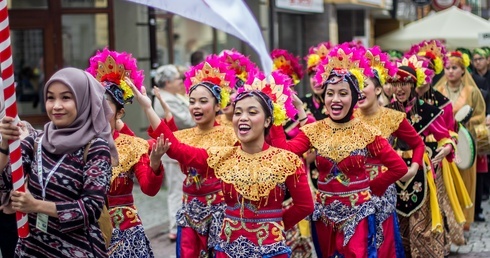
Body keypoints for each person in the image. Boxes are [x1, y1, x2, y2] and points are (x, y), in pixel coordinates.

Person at [138, 69, 314, 257]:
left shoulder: (286, 160)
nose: (243, 117)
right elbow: (178, 150)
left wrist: (275, 224)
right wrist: (149, 109)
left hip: (270, 250)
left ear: (268, 120)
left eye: (252, 112)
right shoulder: (222, 157)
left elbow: (305, 206)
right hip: (227, 249)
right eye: (238, 112)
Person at [269, 45, 408, 257]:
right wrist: (279, 118)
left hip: (358, 215)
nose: (335, 99)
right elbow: (285, 153)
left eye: (343, 93)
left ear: (353, 98)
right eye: (330, 93)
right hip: (324, 216)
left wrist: (372, 189)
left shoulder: (366, 132)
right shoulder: (315, 130)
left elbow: (398, 167)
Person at [0, 67, 117, 257]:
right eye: (50, 98)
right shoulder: (36, 142)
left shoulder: (95, 148)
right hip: (33, 249)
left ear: (83, 100)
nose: (56, 106)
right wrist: (6, 143)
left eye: (66, 98)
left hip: (77, 250)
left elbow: (90, 209)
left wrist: (37, 206)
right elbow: (4, 182)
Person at [87, 49, 167, 257]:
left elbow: (149, 189)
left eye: (105, 107)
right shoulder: (77, 143)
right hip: (87, 232)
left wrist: (155, 161)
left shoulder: (132, 146)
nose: (98, 112)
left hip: (125, 234)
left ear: (120, 112)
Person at [159, 55, 240, 257]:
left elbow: (181, 151)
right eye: (192, 101)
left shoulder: (230, 135)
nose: (196, 106)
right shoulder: (185, 135)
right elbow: (155, 144)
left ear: (217, 105)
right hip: (189, 212)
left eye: (203, 101)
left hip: (219, 212)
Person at [387, 55, 461, 257]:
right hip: (393, 176)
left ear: (413, 85)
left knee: (420, 227)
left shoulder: (429, 112)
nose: (399, 89)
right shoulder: (386, 112)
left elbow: (446, 138)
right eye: (395, 84)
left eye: (404, 83)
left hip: (422, 173)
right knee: (396, 224)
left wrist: (445, 150)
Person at [355, 46, 424, 257]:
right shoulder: (348, 119)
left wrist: (412, 169)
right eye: (354, 86)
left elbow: (418, 144)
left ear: (377, 90)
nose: (358, 91)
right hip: (353, 192)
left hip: (382, 189)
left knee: (382, 244)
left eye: (363, 85)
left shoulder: (392, 117)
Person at [435, 51, 488, 226]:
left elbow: (480, 115)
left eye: (454, 68)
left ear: (463, 70)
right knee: (447, 180)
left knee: (465, 180)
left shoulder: (472, 91)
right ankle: (447, 220)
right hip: (444, 142)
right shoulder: (438, 91)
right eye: (448, 68)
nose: (450, 71)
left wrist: (463, 123)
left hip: (464, 144)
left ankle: (464, 220)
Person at [153, 64, 195, 241]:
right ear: (168, 82)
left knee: (182, 188)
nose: (181, 81)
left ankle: (181, 224)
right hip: (172, 151)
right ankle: (175, 228)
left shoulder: (174, 95)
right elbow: (185, 120)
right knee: (177, 190)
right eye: (178, 79)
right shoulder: (165, 99)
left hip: (182, 148)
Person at [216, 50, 259, 127]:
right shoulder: (212, 123)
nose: (224, 97)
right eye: (220, 93)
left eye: (230, 93)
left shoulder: (256, 121)